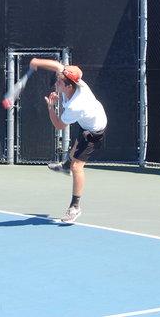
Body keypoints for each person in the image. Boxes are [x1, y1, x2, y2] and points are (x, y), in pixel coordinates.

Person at [29, 58, 107, 223]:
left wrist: (51, 106)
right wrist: (37, 62)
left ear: (68, 86)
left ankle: (75, 207)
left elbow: (58, 125)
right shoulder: (74, 82)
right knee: (76, 148)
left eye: (59, 81)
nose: (56, 82)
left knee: (77, 166)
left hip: (94, 131)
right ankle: (65, 166)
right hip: (89, 122)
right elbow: (58, 66)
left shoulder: (76, 105)